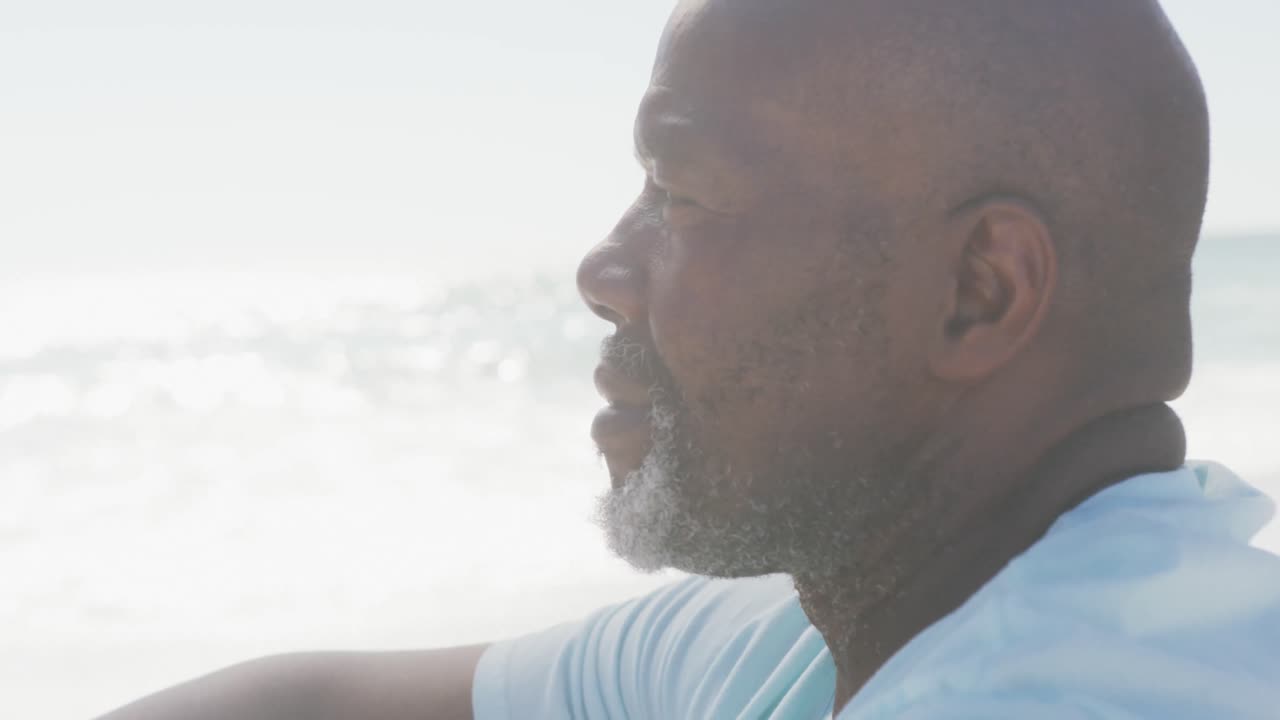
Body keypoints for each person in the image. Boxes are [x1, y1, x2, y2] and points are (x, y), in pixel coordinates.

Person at [100, 0, 1280, 718]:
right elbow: (298, 706)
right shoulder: (824, 630)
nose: (602, 270)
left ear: (976, 293)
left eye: (680, 192)